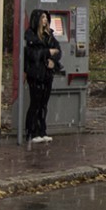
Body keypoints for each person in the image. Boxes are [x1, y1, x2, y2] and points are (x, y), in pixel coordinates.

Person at [24, 9, 61, 143]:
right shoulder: (30, 36)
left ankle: (42, 130)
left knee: (44, 104)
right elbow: (33, 54)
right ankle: (31, 132)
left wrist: (53, 60)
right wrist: (47, 52)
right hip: (35, 74)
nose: (45, 20)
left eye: (46, 18)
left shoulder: (49, 35)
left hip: (46, 74)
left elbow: (57, 50)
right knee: (35, 103)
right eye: (43, 17)